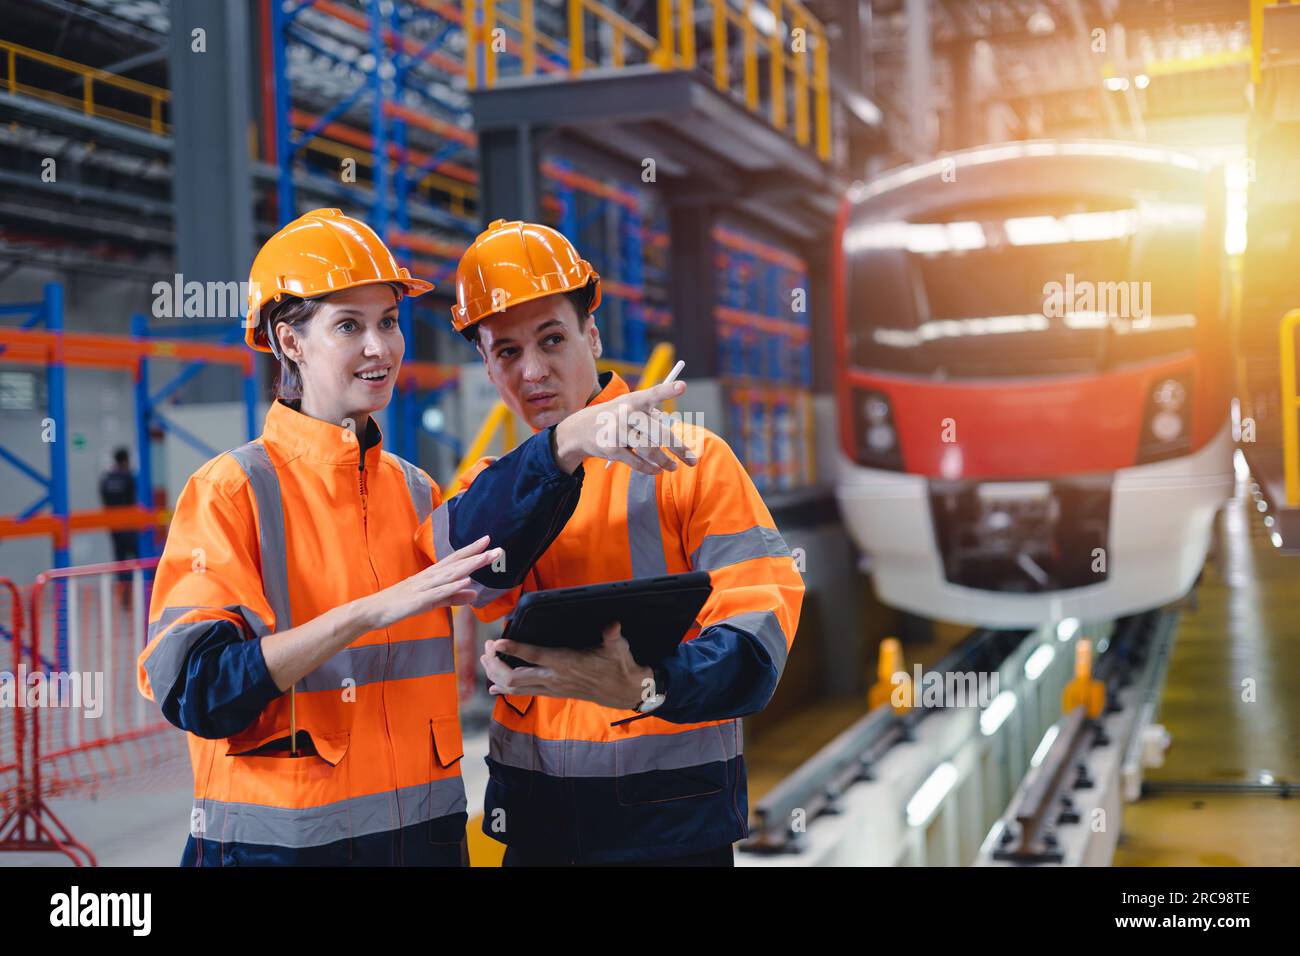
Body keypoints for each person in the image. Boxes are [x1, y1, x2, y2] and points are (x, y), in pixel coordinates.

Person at [136, 209, 687, 867]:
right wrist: (369, 611)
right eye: (349, 326)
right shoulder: (233, 490)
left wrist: (567, 442)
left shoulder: (416, 491)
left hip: (425, 843)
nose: (380, 347)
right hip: (279, 853)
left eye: (389, 322)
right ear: (289, 341)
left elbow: (495, 556)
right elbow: (195, 689)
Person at [450, 219, 806, 865]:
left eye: (552, 338)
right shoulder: (491, 490)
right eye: (506, 352)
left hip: (674, 830)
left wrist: (649, 684)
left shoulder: (694, 460)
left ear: (592, 333)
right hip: (538, 831)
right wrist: (566, 446)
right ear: (485, 364)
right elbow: (473, 571)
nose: (533, 370)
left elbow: (759, 640)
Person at [100, 447, 139, 582]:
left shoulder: (106, 479)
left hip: (114, 528)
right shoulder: (128, 477)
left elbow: (104, 501)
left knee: (120, 562)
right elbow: (133, 499)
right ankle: (146, 592)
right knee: (141, 559)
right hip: (130, 526)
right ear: (126, 460)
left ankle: (124, 595)